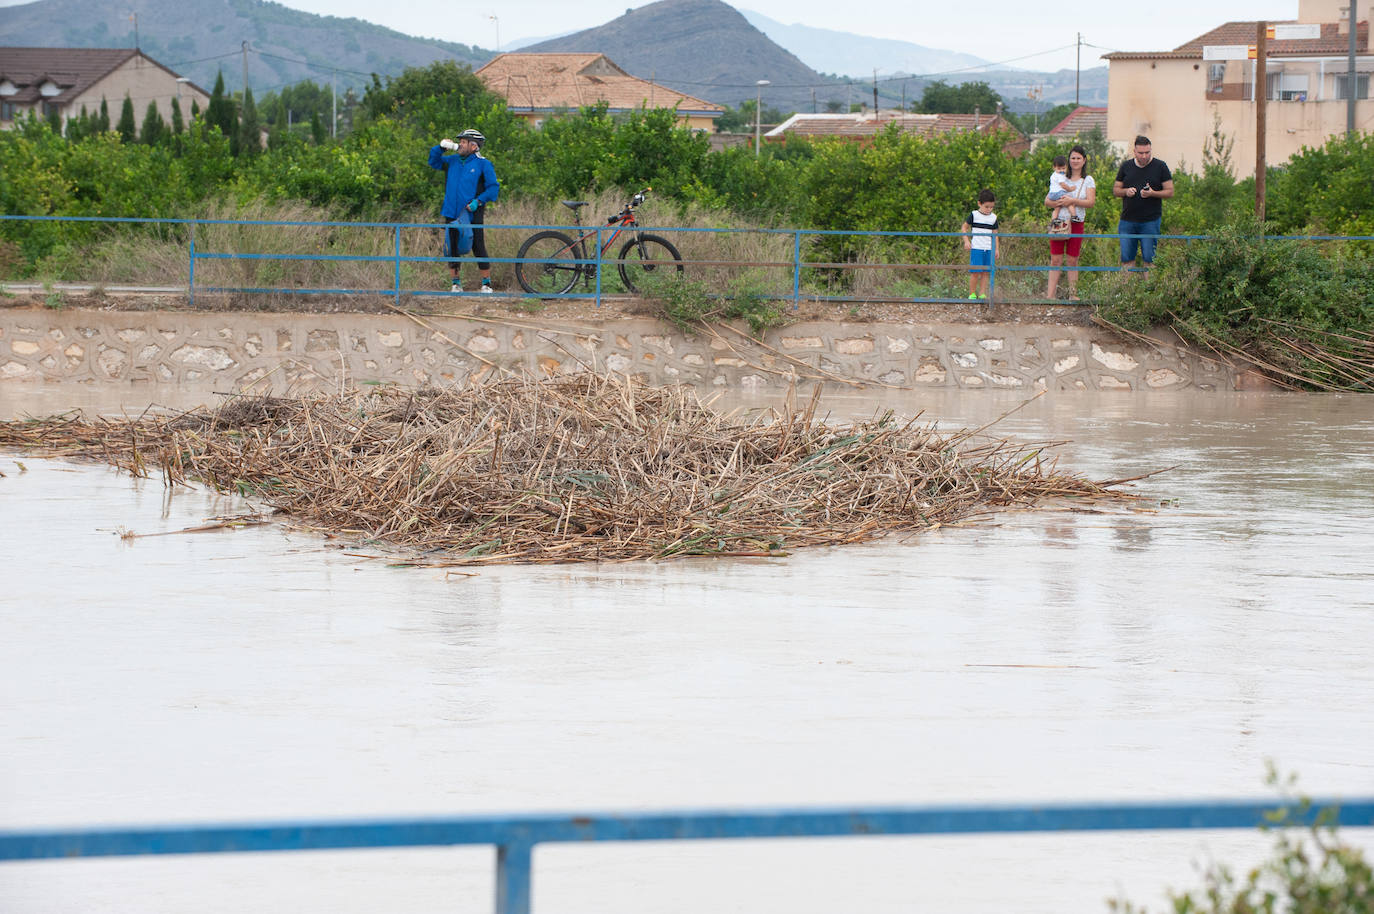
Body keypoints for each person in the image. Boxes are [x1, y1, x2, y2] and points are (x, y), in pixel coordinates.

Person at [428, 128, 500, 293]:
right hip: (451, 212)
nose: (459, 145)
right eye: (459, 142)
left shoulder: (483, 164)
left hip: (472, 212)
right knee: (452, 248)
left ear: (474, 146)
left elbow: (493, 188)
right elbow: (433, 161)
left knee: (478, 245)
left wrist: (478, 201)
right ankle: (456, 284)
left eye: (463, 142)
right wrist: (440, 148)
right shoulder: (452, 160)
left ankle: (486, 284)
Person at [1112, 135, 1173, 274]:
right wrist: (1126, 191)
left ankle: (1148, 293)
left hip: (1150, 221)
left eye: (1147, 152)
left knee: (1149, 259)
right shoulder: (1126, 166)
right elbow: (1116, 190)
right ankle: (1127, 293)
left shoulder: (1161, 166)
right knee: (1127, 259)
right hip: (1127, 220)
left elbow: (1170, 192)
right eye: (1141, 153)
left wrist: (1153, 193)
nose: (1144, 156)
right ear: (1134, 151)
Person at [1045, 145, 1096, 300]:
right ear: (1068, 159)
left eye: (1078, 158)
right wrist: (1060, 203)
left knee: (1072, 259)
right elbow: (1047, 201)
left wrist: (1072, 200)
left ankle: (1073, 295)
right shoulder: (1060, 176)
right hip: (1059, 222)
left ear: (1084, 160)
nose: (1075, 161)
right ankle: (1050, 296)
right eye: (1072, 158)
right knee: (1056, 259)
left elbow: (1091, 202)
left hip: (1077, 221)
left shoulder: (1088, 180)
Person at [962, 189, 999, 300]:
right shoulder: (974, 215)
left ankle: (982, 294)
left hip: (988, 248)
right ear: (979, 203)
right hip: (977, 248)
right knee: (975, 272)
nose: (989, 209)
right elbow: (964, 227)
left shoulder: (993, 218)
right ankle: (972, 294)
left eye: (991, 207)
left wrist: (997, 249)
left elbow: (995, 234)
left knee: (986, 272)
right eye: (987, 207)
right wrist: (966, 241)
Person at [1047, 155, 1074, 227]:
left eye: (1063, 168)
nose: (1062, 170)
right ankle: (1074, 216)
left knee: (1057, 208)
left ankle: (1054, 219)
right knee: (1069, 201)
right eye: (1059, 169)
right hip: (1058, 193)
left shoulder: (1053, 175)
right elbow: (1063, 185)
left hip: (1052, 193)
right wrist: (1070, 189)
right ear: (1054, 168)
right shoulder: (1059, 175)